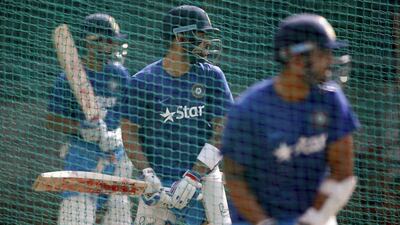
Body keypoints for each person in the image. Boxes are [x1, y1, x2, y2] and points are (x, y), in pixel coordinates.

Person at [221, 14, 360, 225]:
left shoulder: (331, 100)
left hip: (314, 214)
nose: (330, 61)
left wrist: (312, 219)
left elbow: (343, 172)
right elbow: (234, 177)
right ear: (295, 59)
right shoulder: (248, 110)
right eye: (323, 53)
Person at [120, 5, 233, 225]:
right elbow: (129, 133)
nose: (207, 42)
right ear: (180, 37)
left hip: (205, 178)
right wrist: (147, 173)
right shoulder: (143, 81)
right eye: (201, 35)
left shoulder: (212, 76)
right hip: (158, 180)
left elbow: (225, 130)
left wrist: (193, 176)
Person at [47, 13, 133, 225]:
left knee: (120, 216)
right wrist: (82, 129)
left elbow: (130, 115)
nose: (114, 45)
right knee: (76, 217)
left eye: (114, 40)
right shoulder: (68, 77)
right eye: (110, 40)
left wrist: (119, 134)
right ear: (92, 41)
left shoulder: (120, 75)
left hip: (117, 159)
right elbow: (51, 120)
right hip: (82, 158)